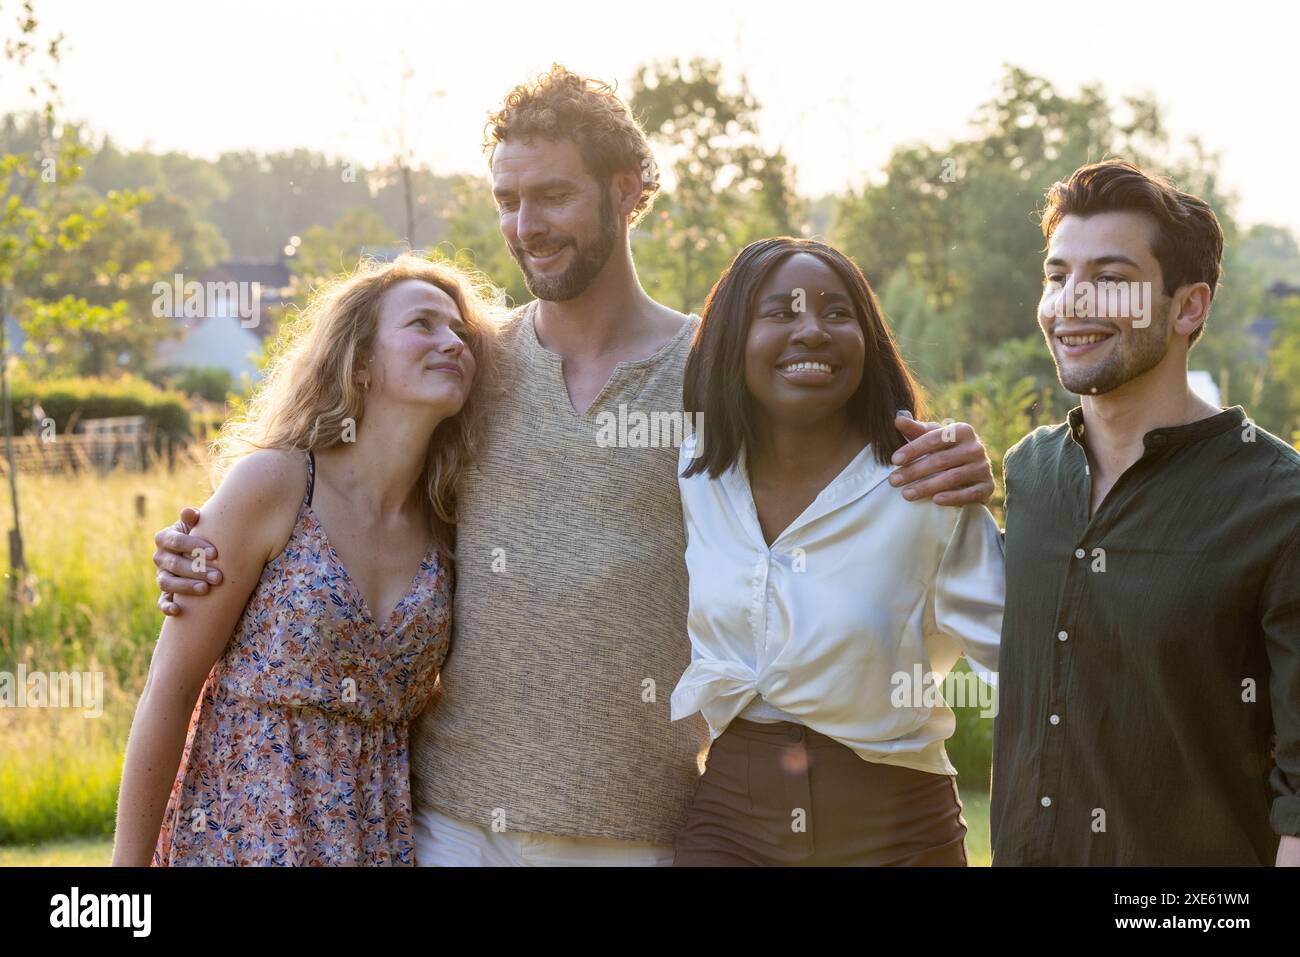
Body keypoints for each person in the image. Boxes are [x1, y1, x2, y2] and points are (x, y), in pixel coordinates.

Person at [150, 66, 997, 867]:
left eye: (553, 195)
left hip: (634, 826)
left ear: (628, 190)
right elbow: (349, 477)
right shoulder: (472, 364)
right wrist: (202, 543)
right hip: (450, 822)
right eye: (508, 201)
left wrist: (949, 449)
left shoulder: (712, 375)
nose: (526, 226)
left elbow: (833, 434)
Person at [113, 255, 497, 865]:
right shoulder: (276, 484)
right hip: (239, 830)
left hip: (376, 837)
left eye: (460, 332)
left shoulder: (451, 521)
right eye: (423, 324)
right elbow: (171, 688)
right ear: (362, 362)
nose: (451, 342)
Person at [991, 159, 1300, 866]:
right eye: (1057, 275)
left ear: (1188, 307)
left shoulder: (1281, 502)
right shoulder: (1031, 473)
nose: (1071, 301)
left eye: (1109, 278)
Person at [669, 238, 1004, 865]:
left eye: (836, 313)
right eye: (780, 313)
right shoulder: (697, 473)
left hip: (898, 828)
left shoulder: (926, 487)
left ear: (868, 341)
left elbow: (1021, 663)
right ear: (732, 340)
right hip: (731, 824)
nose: (812, 331)